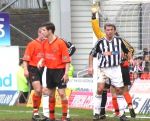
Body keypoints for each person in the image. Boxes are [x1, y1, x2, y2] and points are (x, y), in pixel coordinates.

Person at [90, 6, 136, 120]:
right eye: (107, 30)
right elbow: (91, 53)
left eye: (111, 30)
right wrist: (90, 66)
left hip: (116, 68)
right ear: (105, 31)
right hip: (103, 69)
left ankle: (121, 114)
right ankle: (97, 112)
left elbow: (129, 50)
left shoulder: (119, 40)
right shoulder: (100, 40)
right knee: (100, 89)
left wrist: (130, 58)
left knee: (120, 90)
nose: (109, 32)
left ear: (114, 31)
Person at [38, 22, 71, 121]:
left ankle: (65, 116)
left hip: (60, 71)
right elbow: (44, 56)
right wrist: (41, 61)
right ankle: (51, 117)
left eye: (44, 30)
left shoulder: (60, 42)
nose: (41, 32)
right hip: (49, 71)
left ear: (50, 31)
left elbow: (67, 60)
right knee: (51, 94)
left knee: (61, 93)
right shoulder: (44, 42)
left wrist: (66, 74)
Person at [23, 27, 45, 121]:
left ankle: (45, 112)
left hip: (45, 69)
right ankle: (35, 112)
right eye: (43, 32)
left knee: (44, 91)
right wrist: (25, 70)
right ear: (39, 33)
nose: (44, 35)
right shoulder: (32, 44)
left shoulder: (48, 44)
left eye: (46, 32)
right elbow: (25, 59)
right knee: (38, 89)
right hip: (33, 69)